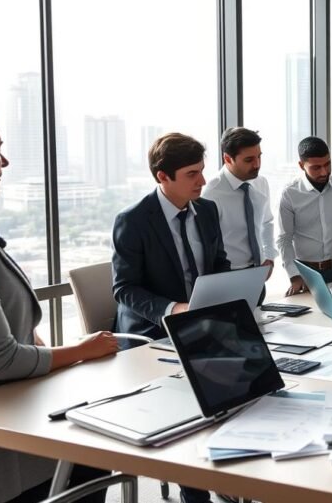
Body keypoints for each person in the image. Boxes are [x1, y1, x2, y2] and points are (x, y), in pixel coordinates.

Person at [0, 97, 118, 503]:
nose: (4, 162)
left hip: (2, 421)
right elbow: (0, 359)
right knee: (94, 456)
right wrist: (79, 350)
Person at [111, 132, 230, 503]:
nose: (202, 181)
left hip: (201, 323)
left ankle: (240, 473)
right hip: (152, 333)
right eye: (192, 174)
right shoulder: (133, 221)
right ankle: (196, 495)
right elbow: (124, 289)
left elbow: (219, 264)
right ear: (163, 176)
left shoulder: (207, 211)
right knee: (192, 400)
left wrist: (230, 292)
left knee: (256, 377)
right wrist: (173, 309)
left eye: (202, 171)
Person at [276, 137, 332, 296]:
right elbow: (284, 239)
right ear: (301, 165)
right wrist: (294, 276)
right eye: (316, 167)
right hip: (306, 272)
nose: (324, 172)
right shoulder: (290, 194)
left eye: (327, 164)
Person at [202, 128, 277, 279]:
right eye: (249, 160)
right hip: (228, 274)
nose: (257, 165)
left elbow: (267, 222)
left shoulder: (260, 182)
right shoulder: (211, 193)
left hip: (258, 270)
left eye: (259, 157)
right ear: (228, 159)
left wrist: (269, 257)